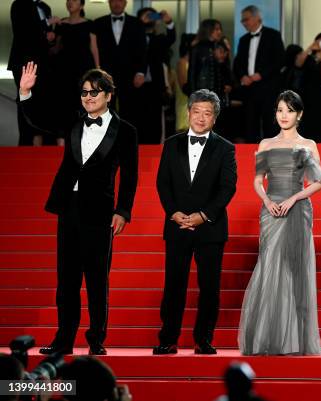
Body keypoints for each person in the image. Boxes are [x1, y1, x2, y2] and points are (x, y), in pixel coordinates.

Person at [19, 63, 139, 356]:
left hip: (99, 211)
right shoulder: (73, 120)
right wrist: (25, 91)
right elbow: (40, 118)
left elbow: (131, 175)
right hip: (68, 208)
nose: (88, 97)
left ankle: (96, 339)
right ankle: (64, 339)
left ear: (109, 95)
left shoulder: (125, 131)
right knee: (67, 280)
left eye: (95, 92)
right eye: (84, 92)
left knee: (98, 279)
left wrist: (122, 211)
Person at [238, 91, 321, 355]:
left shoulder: (309, 145)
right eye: (279, 110)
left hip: (297, 209)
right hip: (271, 209)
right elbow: (257, 180)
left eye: (289, 110)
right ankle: (267, 337)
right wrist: (265, 200)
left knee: (294, 271)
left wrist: (295, 198)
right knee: (270, 268)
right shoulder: (266, 144)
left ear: (299, 114)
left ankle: (294, 340)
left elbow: (318, 182)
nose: (283, 115)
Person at [153, 89, 237, 355]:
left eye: (207, 113)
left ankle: (204, 339)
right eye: (197, 111)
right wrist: (173, 212)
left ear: (215, 118)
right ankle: (168, 339)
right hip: (177, 224)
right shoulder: (171, 143)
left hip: (210, 228)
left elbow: (227, 188)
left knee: (209, 288)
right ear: (188, 112)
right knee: (173, 285)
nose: (201, 118)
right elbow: (162, 183)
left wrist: (203, 215)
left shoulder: (225, 148)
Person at [8, 0, 59, 146]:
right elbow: (23, 30)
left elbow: (44, 37)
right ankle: (26, 142)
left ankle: (43, 141)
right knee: (25, 99)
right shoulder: (18, 4)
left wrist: (50, 38)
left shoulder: (45, 6)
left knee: (43, 102)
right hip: (23, 62)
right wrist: (47, 22)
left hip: (43, 64)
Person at [233, 5, 285, 142]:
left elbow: (280, 60)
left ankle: (271, 155)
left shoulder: (273, 35)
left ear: (257, 18)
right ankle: (250, 157)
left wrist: (261, 74)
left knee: (270, 123)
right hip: (249, 90)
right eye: (242, 20)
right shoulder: (243, 40)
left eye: (246, 19)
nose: (244, 23)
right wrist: (242, 76)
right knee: (250, 125)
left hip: (269, 88)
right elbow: (237, 63)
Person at [94, 0, 147, 130]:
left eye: (120, 1)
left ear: (125, 3)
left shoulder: (137, 23)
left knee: (130, 110)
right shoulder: (98, 23)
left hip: (130, 74)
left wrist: (141, 72)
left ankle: (129, 142)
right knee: (104, 109)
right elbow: (94, 50)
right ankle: (105, 143)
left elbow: (143, 49)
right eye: (113, 1)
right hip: (105, 75)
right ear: (109, 3)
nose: (117, 3)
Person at [54, 0, 100, 142]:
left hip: (84, 69)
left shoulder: (89, 23)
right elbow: (56, 48)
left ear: (81, 5)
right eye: (68, 0)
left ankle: (85, 140)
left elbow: (94, 48)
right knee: (64, 103)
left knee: (84, 102)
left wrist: (98, 69)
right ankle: (62, 140)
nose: (70, 3)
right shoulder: (61, 23)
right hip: (64, 70)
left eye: (74, 0)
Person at [135, 7, 175, 144]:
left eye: (152, 16)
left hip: (154, 88)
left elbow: (171, 38)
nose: (149, 18)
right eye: (146, 16)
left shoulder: (159, 39)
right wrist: (140, 25)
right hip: (135, 88)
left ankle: (153, 156)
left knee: (155, 126)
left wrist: (168, 22)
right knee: (136, 124)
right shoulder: (131, 38)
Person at [295, 32, 321, 142]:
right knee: (305, 124)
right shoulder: (308, 58)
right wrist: (310, 47)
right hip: (306, 96)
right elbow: (298, 63)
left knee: (320, 125)